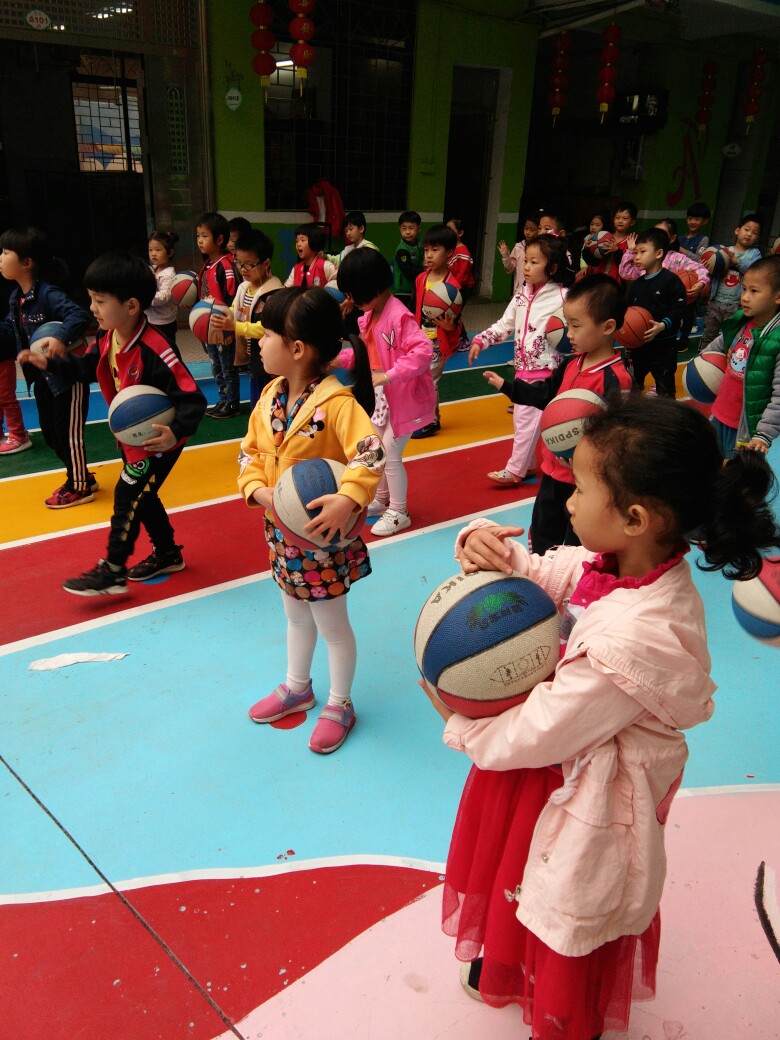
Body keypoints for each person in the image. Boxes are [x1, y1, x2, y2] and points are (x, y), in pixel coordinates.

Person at [424, 391, 779, 1040]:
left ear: (636, 518)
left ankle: (564, 1016)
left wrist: (461, 721)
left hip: (582, 791)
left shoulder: (637, 639)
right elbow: (547, 570)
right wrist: (486, 547)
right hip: (549, 774)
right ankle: (507, 963)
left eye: (581, 489)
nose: (567, 501)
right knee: (518, 872)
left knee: (565, 896)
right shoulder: (616, 565)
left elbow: (541, 729)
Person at [237, 287, 385, 755]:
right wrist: (258, 490)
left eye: (266, 335)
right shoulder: (269, 397)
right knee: (294, 614)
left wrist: (348, 497)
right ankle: (297, 686)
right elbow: (249, 453)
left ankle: (340, 703)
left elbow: (371, 451)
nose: (259, 342)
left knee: (332, 626)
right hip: (282, 534)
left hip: (322, 539)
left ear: (297, 348)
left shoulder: (337, 403)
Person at [18, 252, 207, 594]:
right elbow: (86, 368)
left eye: (100, 301)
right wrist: (50, 364)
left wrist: (174, 433)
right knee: (143, 497)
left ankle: (113, 570)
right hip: (133, 438)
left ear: (131, 306)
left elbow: (193, 399)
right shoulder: (108, 337)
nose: (92, 308)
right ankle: (167, 553)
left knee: (127, 494)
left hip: (159, 442)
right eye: (91, 299)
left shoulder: (156, 349)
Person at [482, 275, 633, 554]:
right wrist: (509, 387)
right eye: (567, 324)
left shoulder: (615, 378)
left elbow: (619, 433)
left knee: (579, 544)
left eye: (576, 325)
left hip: (586, 481)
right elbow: (546, 394)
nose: (568, 333)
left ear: (607, 327)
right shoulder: (571, 364)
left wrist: (591, 457)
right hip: (553, 472)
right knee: (542, 536)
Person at [335, 247, 436, 537]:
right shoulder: (369, 316)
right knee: (377, 449)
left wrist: (389, 375)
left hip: (404, 400)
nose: (350, 300)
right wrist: (337, 359)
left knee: (390, 453)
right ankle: (381, 499)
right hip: (384, 399)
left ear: (370, 287)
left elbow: (423, 350)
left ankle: (399, 511)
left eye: (353, 293)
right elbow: (364, 356)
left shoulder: (398, 316)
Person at [0, 227, 93, 498]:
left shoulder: (48, 293)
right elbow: (10, 330)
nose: (1, 257)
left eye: (6, 252)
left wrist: (60, 337)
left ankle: (79, 485)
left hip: (67, 377)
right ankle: (81, 476)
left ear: (26, 262)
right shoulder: (15, 298)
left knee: (68, 436)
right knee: (51, 435)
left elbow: (79, 315)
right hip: (41, 378)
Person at [468, 235, 568, 484]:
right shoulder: (522, 294)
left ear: (552, 268)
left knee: (526, 422)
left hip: (546, 371)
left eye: (534, 262)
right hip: (523, 369)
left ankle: (516, 470)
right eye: (526, 261)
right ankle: (530, 464)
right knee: (524, 422)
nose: (526, 267)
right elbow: (505, 324)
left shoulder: (563, 297)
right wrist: (481, 340)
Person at [704, 255, 780, 459]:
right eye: (744, 289)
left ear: (777, 297)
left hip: (747, 430)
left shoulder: (776, 340)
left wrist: (764, 433)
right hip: (720, 414)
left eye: (754, 291)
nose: (744, 297)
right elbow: (715, 347)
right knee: (710, 465)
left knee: (739, 476)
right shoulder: (740, 322)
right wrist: (702, 362)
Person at [210, 229, 284, 412]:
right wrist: (218, 314)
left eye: (249, 265)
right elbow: (233, 310)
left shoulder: (274, 294)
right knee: (257, 406)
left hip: (273, 365)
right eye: (239, 263)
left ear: (266, 263)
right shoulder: (244, 288)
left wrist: (234, 326)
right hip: (256, 362)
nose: (242, 269)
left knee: (272, 407)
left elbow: (266, 329)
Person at [620, 219, 710, 353]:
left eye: (661, 232)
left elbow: (700, 268)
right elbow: (625, 272)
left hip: (665, 329)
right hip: (643, 329)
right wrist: (631, 251)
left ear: (672, 238)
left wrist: (701, 283)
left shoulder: (675, 260)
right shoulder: (641, 269)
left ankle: (683, 339)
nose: (638, 256)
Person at [410, 224, 464, 439]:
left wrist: (451, 327)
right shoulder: (421, 279)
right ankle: (424, 414)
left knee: (429, 380)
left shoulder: (452, 287)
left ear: (449, 253)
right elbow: (416, 309)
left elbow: (456, 322)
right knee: (417, 378)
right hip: (420, 338)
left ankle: (432, 420)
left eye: (435, 250)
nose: (429, 255)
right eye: (426, 250)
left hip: (438, 342)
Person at [624, 228, 686, 397]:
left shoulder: (671, 281)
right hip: (638, 346)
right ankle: (632, 410)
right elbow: (626, 310)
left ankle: (667, 413)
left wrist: (663, 325)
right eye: (635, 252)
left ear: (659, 253)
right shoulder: (637, 284)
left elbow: (679, 308)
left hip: (664, 346)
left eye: (642, 252)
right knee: (632, 386)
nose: (636, 257)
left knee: (665, 390)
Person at [196, 211, 240, 418]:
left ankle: (232, 403)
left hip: (222, 326)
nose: (200, 240)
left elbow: (231, 298)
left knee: (227, 367)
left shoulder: (226, 265)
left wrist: (228, 328)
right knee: (216, 366)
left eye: (205, 236)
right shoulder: (207, 264)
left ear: (220, 240)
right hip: (209, 327)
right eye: (198, 236)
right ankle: (223, 399)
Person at [700, 213, 763, 349]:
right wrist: (707, 266)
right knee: (709, 333)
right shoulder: (723, 251)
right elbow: (711, 273)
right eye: (746, 229)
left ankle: (726, 358)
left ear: (757, 238)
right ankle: (703, 355)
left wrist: (736, 261)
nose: (749, 234)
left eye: (754, 233)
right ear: (737, 230)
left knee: (731, 335)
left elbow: (754, 272)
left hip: (736, 304)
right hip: (716, 301)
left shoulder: (754, 254)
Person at [581, 200, 637, 285]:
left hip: (616, 285)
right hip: (597, 282)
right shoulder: (602, 236)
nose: (620, 221)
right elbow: (594, 262)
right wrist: (587, 250)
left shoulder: (632, 242)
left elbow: (629, 268)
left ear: (632, 222)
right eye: (617, 218)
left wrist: (616, 251)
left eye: (625, 218)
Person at [146, 230, 180, 354]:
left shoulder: (169, 275)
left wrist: (145, 297)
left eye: (158, 250)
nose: (153, 254)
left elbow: (164, 296)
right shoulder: (152, 269)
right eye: (150, 250)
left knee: (168, 352)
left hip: (165, 322)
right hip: (151, 319)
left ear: (170, 253)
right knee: (154, 351)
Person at [285, 223, 338, 289]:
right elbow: (286, 290)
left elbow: (340, 283)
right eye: (297, 241)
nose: (298, 244)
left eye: (302, 240)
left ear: (314, 242)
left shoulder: (326, 266)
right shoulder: (296, 269)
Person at [498, 214, 540, 296]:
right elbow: (510, 269)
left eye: (532, 230)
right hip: (519, 291)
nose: (528, 232)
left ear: (539, 230)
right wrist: (506, 256)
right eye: (526, 228)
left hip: (535, 291)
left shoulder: (541, 249)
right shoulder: (518, 247)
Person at [393, 210, 424, 312]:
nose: (407, 232)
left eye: (411, 228)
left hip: (415, 289)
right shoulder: (402, 250)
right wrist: (425, 271)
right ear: (400, 229)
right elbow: (409, 271)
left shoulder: (420, 245)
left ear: (419, 229)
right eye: (404, 228)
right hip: (403, 292)